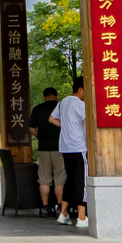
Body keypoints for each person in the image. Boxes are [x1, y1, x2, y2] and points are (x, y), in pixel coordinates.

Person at [50, 74, 89, 228]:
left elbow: (52, 119)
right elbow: (90, 120)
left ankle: (64, 213)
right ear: (81, 89)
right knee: (81, 181)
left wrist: (66, 125)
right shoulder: (80, 104)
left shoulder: (62, 102)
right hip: (79, 146)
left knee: (70, 180)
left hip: (65, 147)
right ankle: (81, 217)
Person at [30, 85, 64, 215]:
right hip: (59, 147)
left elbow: (31, 128)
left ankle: (45, 206)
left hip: (44, 148)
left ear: (44, 97)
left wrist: (40, 137)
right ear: (56, 96)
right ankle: (60, 206)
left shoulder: (37, 109)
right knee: (60, 178)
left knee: (44, 179)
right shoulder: (61, 107)